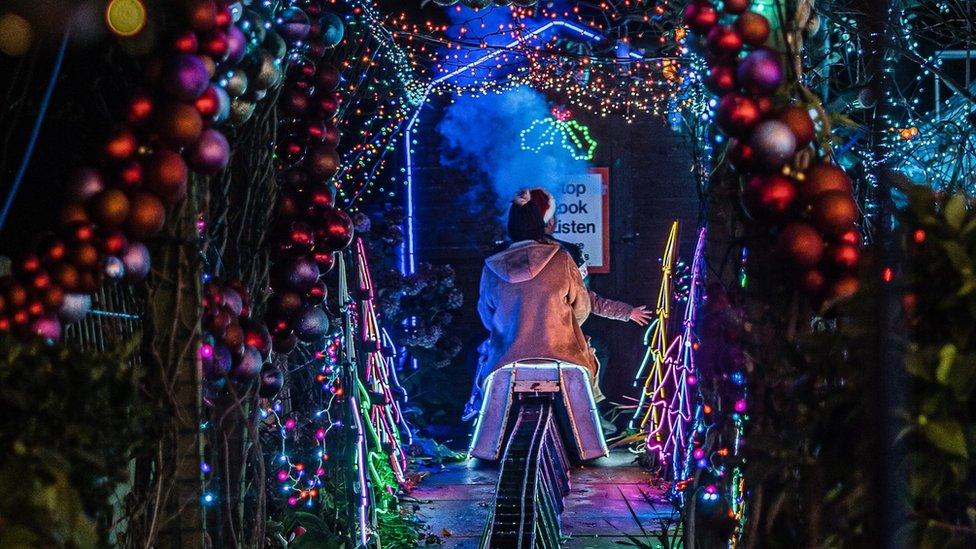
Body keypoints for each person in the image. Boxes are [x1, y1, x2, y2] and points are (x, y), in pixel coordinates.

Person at [475, 190, 598, 389]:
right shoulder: (563, 258)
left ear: (510, 227)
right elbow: (582, 308)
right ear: (542, 225)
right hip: (564, 358)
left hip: (505, 361)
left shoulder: (491, 266)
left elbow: (486, 315)